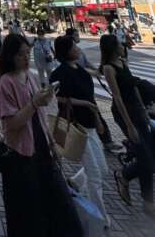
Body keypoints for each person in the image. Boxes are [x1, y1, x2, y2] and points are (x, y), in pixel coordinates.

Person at [0, 34, 83, 237]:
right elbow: (11, 124)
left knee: (62, 210)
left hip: (43, 151)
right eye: (20, 55)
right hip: (22, 158)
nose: (26, 59)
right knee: (30, 217)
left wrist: (52, 140)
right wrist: (34, 103)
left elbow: (40, 115)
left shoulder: (30, 77)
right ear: (9, 57)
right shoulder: (5, 83)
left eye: (27, 53)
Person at [50, 35, 110, 228]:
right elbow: (55, 99)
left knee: (102, 168)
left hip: (91, 125)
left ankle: (75, 182)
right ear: (66, 51)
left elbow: (91, 98)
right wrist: (79, 103)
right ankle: (100, 218)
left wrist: (99, 120)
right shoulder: (59, 73)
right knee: (95, 176)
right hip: (76, 127)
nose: (78, 48)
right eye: (74, 45)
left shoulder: (82, 72)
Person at [100, 33, 154, 217]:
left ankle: (125, 175)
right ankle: (148, 202)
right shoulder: (108, 68)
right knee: (145, 157)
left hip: (137, 110)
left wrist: (144, 111)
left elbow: (133, 88)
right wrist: (129, 126)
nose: (122, 44)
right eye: (118, 43)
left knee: (150, 155)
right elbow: (117, 97)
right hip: (123, 113)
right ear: (112, 47)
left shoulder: (123, 63)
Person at [65, 27, 121, 154]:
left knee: (96, 116)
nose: (78, 36)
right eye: (76, 34)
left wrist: (96, 69)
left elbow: (86, 63)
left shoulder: (79, 52)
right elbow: (79, 70)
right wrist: (94, 72)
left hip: (87, 89)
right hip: (80, 94)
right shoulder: (70, 55)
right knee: (94, 117)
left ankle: (106, 141)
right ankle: (104, 142)